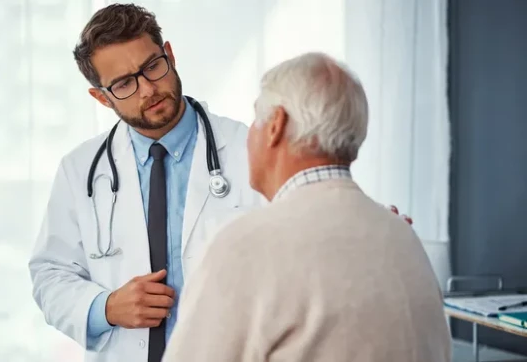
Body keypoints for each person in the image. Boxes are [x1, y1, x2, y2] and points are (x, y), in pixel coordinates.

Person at [28, 4, 413, 362]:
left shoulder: (255, 148)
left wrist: (366, 226)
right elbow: (51, 275)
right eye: (125, 83)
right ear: (101, 97)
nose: (147, 89)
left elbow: (311, 226)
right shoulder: (80, 171)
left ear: (170, 56)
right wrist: (105, 308)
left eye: (153, 67)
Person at [162, 52, 450, 362]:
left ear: (275, 125)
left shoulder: (244, 246)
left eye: (256, 120)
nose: (248, 138)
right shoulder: (404, 237)